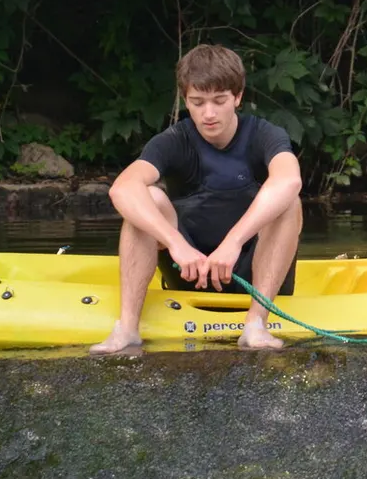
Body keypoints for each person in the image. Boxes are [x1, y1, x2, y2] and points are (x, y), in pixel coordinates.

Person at [89, 44, 302, 353]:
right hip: (190, 269)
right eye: (197, 102)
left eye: (219, 101)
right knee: (146, 197)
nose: (209, 113)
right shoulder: (175, 140)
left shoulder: (265, 134)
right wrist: (176, 245)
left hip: (248, 271)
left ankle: (256, 324)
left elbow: (289, 179)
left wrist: (232, 242)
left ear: (238, 97)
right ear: (185, 100)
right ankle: (127, 328)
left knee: (289, 203)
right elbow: (122, 188)